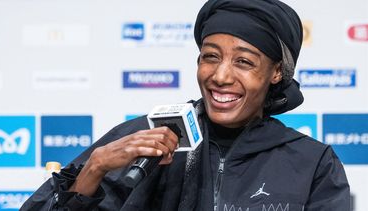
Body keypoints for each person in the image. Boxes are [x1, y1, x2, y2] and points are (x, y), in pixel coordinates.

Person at [21, 0, 350, 210]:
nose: (220, 76)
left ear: (276, 72)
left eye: (244, 62)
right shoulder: (144, 139)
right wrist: (95, 168)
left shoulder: (312, 162)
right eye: (210, 57)